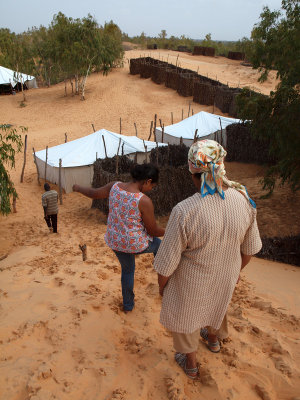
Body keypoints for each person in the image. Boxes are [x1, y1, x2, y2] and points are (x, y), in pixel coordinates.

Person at [154, 139, 262, 379]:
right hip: (225, 276)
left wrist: (162, 287)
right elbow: (250, 249)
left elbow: (166, 263)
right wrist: (234, 272)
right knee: (217, 302)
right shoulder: (243, 199)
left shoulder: (185, 210)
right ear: (222, 166)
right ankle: (213, 340)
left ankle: (190, 363)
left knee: (187, 315)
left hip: (192, 282)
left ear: (193, 173)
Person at [73, 163, 165, 313]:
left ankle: (128, 306)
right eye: (152, 186)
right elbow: (153, 230)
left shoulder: (114, 186)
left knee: (128, 271)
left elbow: (93, 192)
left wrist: (77, 188)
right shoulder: (144, 201)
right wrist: (169, 230)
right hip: (134, 244)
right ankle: (162, 279)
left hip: (114, 241)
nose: (151, 189)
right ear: (147, 181)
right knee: (160, 246)